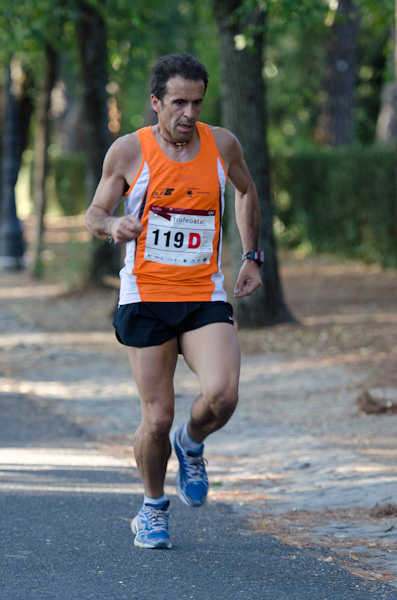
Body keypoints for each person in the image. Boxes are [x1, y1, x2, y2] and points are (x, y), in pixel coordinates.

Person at [85, 53, 263, 550]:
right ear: (156, 102)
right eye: (178, 102)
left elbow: (248, 193)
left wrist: (252, 257)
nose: (189, 113)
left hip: (202, 294)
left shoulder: (222, 145)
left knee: (223, 395)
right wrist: (111, 225)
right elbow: (95, 212)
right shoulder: (128, 151)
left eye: (197, 103)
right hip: (145, 296)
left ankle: (192, 443)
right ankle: (152, 508)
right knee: (156, 415)